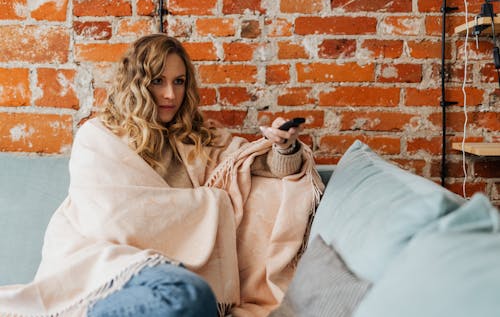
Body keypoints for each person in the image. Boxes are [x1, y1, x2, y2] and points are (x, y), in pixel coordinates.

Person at [0, 34, 323, 317]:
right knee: (185, 297)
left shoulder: (198, 139)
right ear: (136, 83)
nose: (170, 94)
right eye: (158, 81)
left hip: (181, 277)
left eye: (179, 81)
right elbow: (114, 221)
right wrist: (213, 201)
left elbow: (263, 170)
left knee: (194, 297)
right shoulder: (98, 136)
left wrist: (283, 147)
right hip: (105, 267)